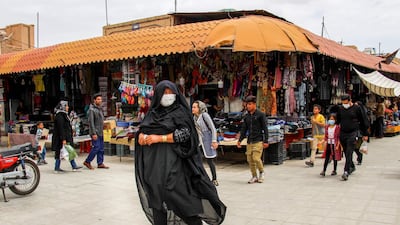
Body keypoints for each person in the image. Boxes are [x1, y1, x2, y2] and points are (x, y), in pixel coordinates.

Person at [134, 80, 226, 225]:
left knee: (181, 201)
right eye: (165, 93)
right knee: (157, 202)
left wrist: (159, 138)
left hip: (176, 166)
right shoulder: (152, 114)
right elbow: (142, 130)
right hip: (154, 169)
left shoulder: (180, 112)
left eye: (171, 93)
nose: (168, 96)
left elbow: (185, 134)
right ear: (158, 95)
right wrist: (140, 136)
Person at [237, 95, 269, 184]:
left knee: (256, 158)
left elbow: (265, 128)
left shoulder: (261, 115)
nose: (248, 106)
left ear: (254, 104)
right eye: (247, 104)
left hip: (258, 140)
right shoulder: (246, 116)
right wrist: (240, 140)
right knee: (250, 160)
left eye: (250, 104)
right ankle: (254, 176)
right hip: (249, 141)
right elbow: (244, 129)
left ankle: (262, 172)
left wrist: (266, 140)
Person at [336, 94, 369, 181]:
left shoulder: (357, 108)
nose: (344, 104)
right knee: (346, 151)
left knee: (349, 151)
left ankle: (346, 172)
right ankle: (352, 166)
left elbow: (363, 121)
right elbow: (337, 120)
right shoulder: (340, 109)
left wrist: (365, 134)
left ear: (350, 100)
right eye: (343, 102)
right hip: (343, 133)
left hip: (353, 133)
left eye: (345, 102)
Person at [192, 100, 219, 186]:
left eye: (194, 107)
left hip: (208, 140)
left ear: (200, 108)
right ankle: (201, 178)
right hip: (199, 141)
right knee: (198, 159)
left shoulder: (204, 116)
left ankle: (214, 179)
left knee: (210, 160)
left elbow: (213, 128)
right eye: (192, 107)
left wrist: (214, 140)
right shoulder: (194, 118)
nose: (192, 109)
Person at [52, 100, 82, 173]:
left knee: (69, 151)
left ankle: (74, 166)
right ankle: (57, 167)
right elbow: (61, 128)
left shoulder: (64, 115)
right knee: (59, 152)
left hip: (66, 137)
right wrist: (63, 139)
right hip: (60, 138)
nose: (68, 107)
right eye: (66, 106)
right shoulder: (59, 116)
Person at [83, 93, 109, 170]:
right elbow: (91, 122)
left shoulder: (100, 109)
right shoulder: (91, 110)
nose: (100, 100)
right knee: (96, 147)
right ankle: (87, 161)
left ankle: (100, 163)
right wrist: (93, 133)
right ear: (94, 100)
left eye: (100, 99)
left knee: (101, 148)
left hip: (101, 131)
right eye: (98, 99)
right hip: (95, 132)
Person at [354, 101, 370, 165]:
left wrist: (366, 135)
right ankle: (359, 157)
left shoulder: (363, 115)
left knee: (358, 147)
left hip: (360, 133)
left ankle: (359, 158)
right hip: (353, 132)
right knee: (353, 147)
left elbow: (366, 125)